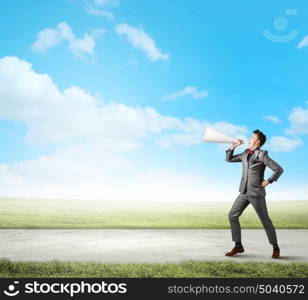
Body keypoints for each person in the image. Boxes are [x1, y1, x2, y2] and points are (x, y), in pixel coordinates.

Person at [224, 129, 284, 258]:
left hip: (256, 193)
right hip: (244, 192)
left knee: (265, 220)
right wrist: (233, 147)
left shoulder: (262, 155)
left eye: (251, 138)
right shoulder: (245, 153)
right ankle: (238, 245)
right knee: (232, 215)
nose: (249, 139)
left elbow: (278, 169)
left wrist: (268, 181)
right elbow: (229, 159)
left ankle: (275, 247)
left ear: (257, 142)